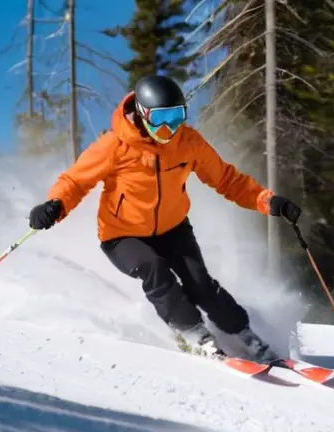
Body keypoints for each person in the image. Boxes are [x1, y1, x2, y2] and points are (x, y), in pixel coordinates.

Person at [27, 74, 301, 363]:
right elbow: (75, 181)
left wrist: (268, 202)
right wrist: (55, 205)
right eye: (160, 118)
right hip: (122, 234)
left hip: (173, 229)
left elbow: (227, 180)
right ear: (143, 114)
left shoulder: (188, 142)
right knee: (154, 269)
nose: (169, 127)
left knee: (201, 285)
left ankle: (244, 335)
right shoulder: (115, 146)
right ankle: (195, 334)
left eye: (176, 117)